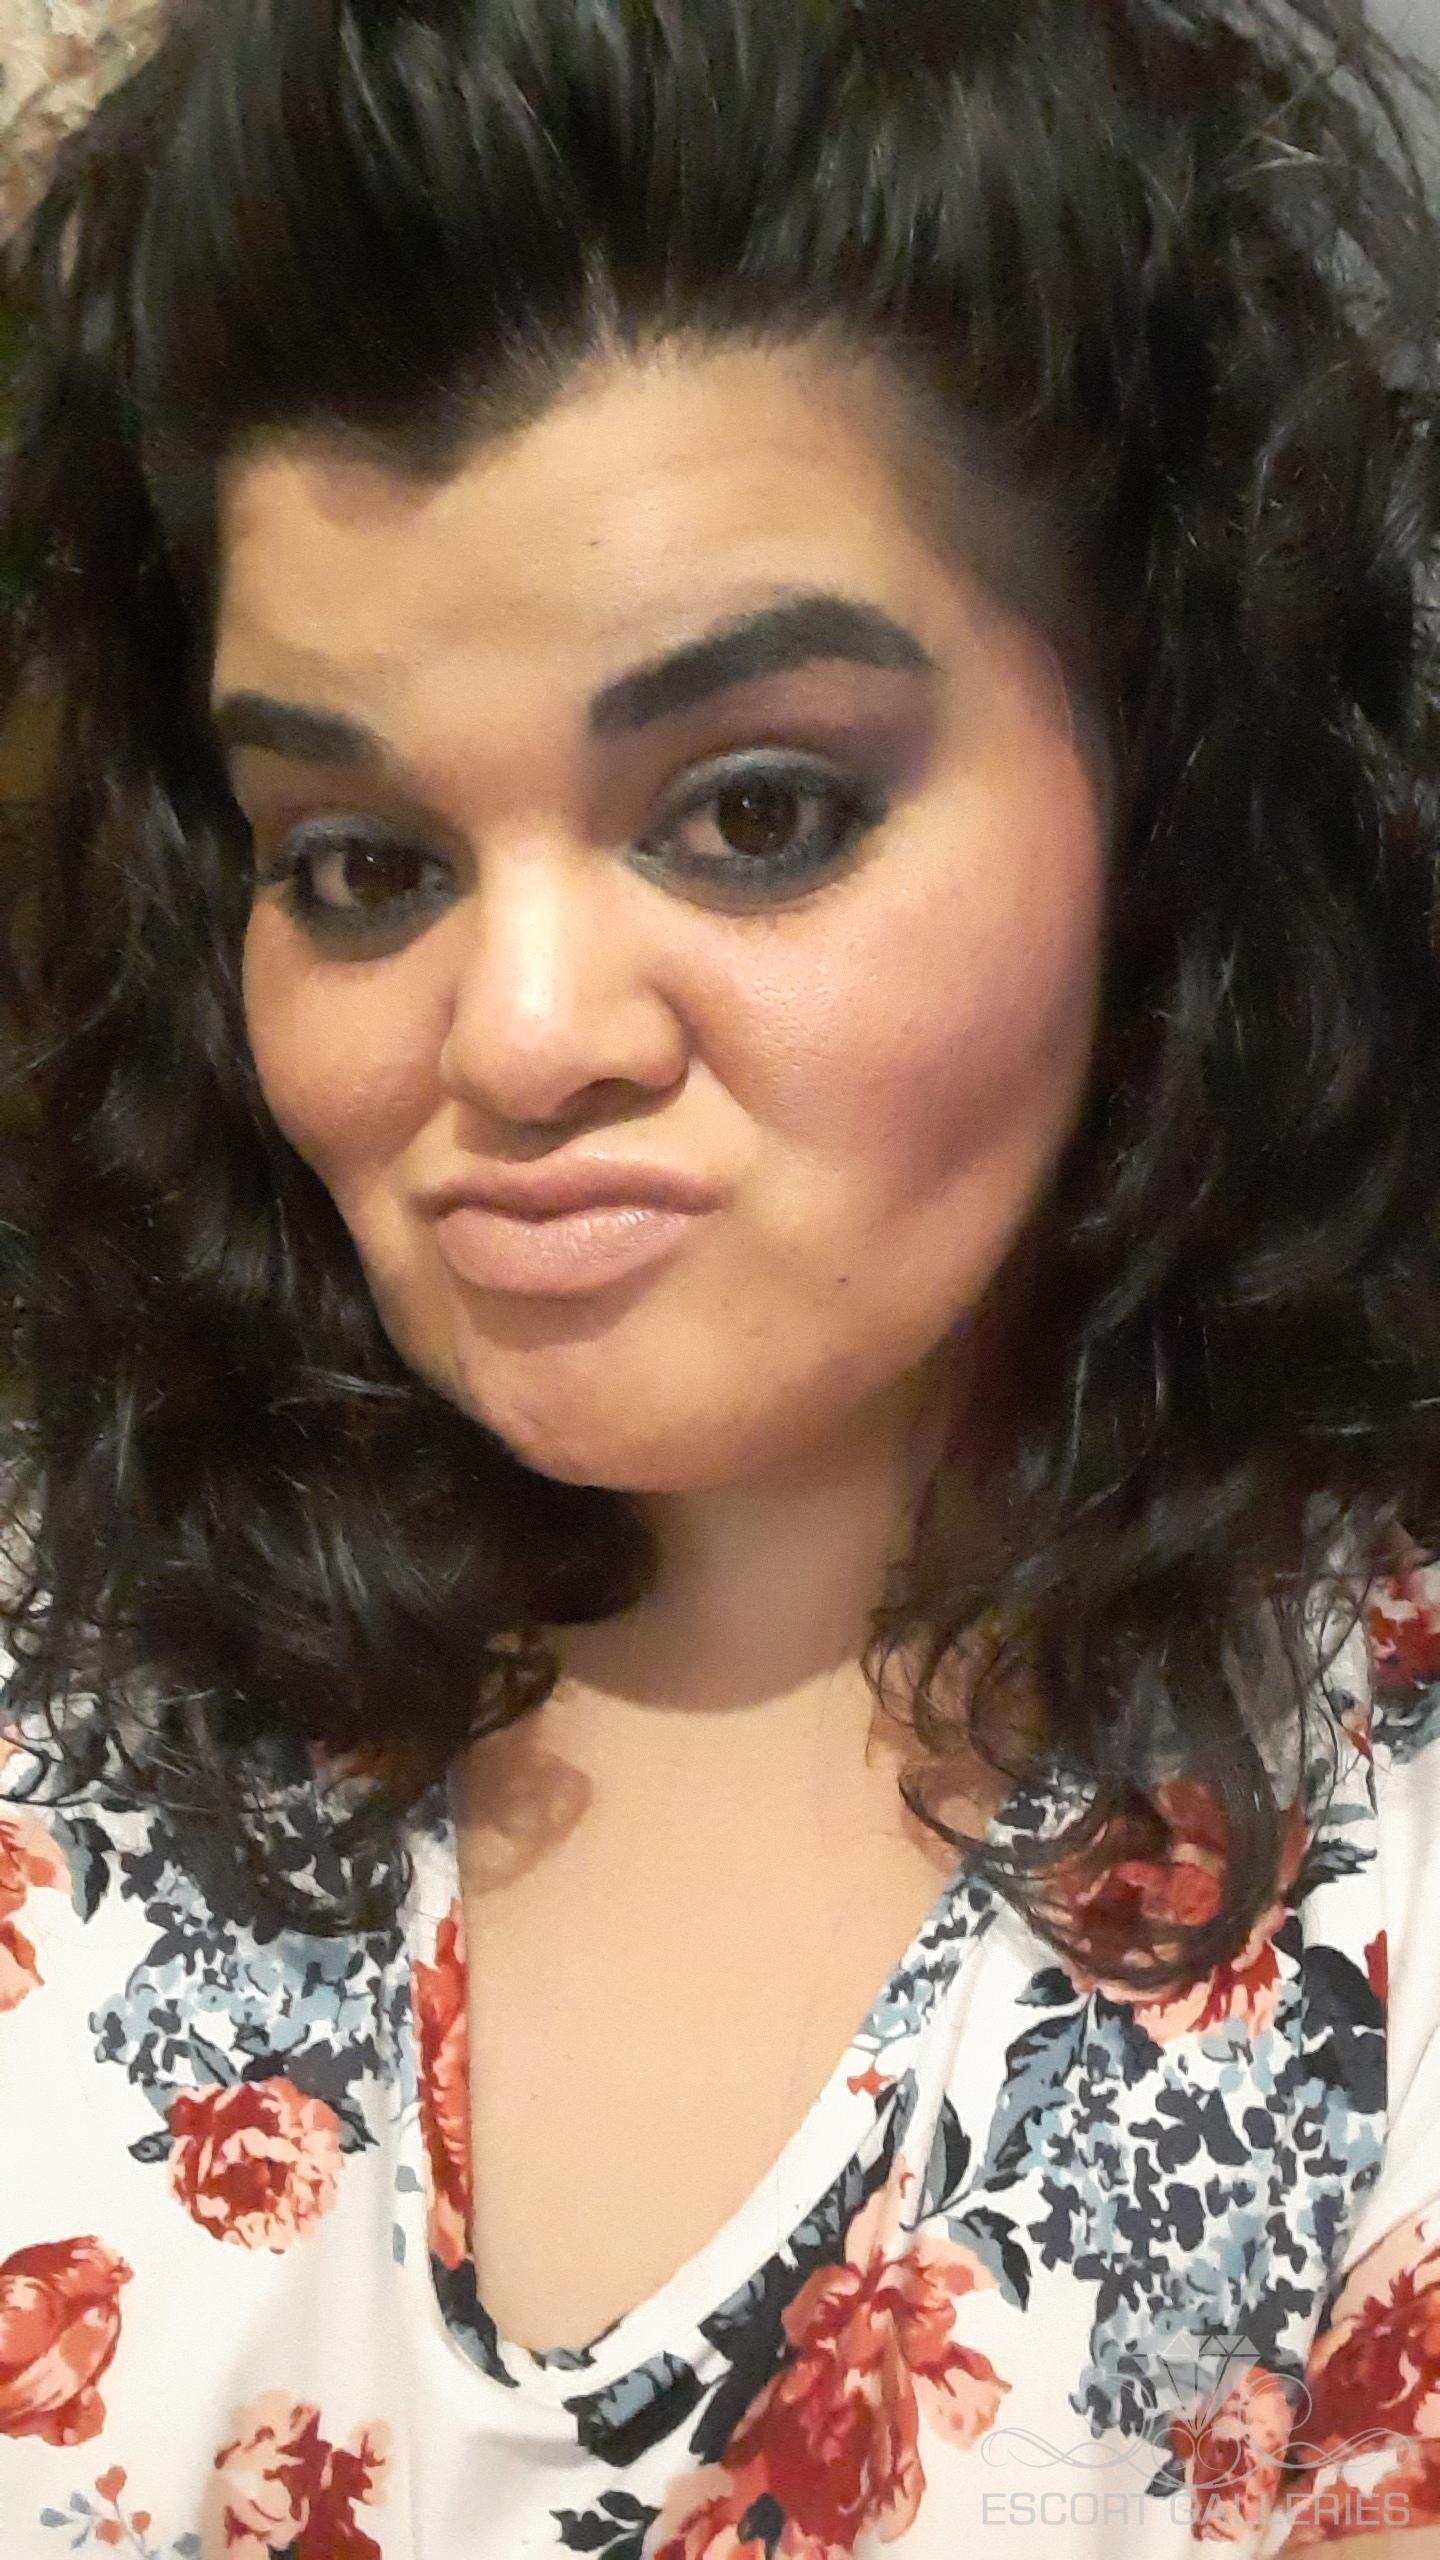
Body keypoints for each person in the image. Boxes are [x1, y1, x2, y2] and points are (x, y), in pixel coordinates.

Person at [0, 0, 1438, 2550]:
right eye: (361, 865)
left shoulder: (1384, 1904)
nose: (520, 1036)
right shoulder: (69, 1637)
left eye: (757, 812)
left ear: (1166, 772)